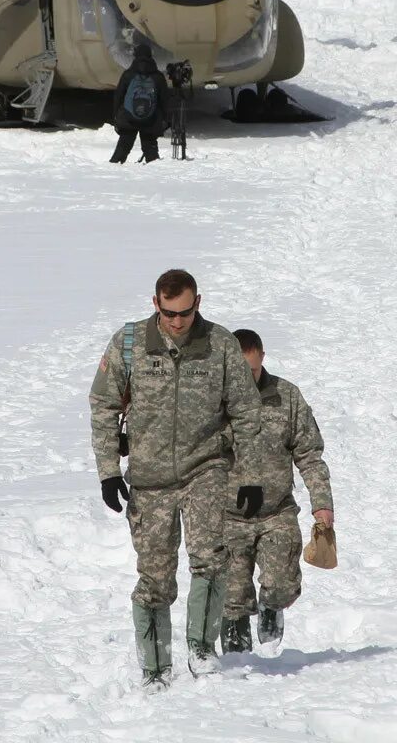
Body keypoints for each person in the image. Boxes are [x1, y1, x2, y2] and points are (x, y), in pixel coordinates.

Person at [89, 269, 264, 687]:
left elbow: (246, 411)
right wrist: (109, 470)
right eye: (168, 313)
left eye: (184, 312)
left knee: (209, 557)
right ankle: (155, 666)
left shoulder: (220, 344)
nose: (176, 321)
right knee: (154, 576)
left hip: (205, 468)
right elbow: (102, 405)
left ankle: (203, 649)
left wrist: (251, 476)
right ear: (155, 304)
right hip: (149, 480)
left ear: (197, 303)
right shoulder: (129, 344)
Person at [220, 329, 333, 657]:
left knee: (282, 585)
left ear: (263, 360)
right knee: (232, 598)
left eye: (252, 371)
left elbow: (310, 454)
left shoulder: (287, 397)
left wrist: (322, 504)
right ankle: (238, 665)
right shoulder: (212, 403)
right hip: (227, 514)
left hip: (275, 511)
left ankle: (271, 609)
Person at [110, 40, 169, 163]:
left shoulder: (128, 74)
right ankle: (153, 172)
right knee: (150, 149)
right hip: (150, 119)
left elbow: (118, 96)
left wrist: (116, 115)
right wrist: (165, 119)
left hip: (128, 118)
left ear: (135, 56)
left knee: (123, 146)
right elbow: (164, 99)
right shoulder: (158, 76)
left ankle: (114, 168)